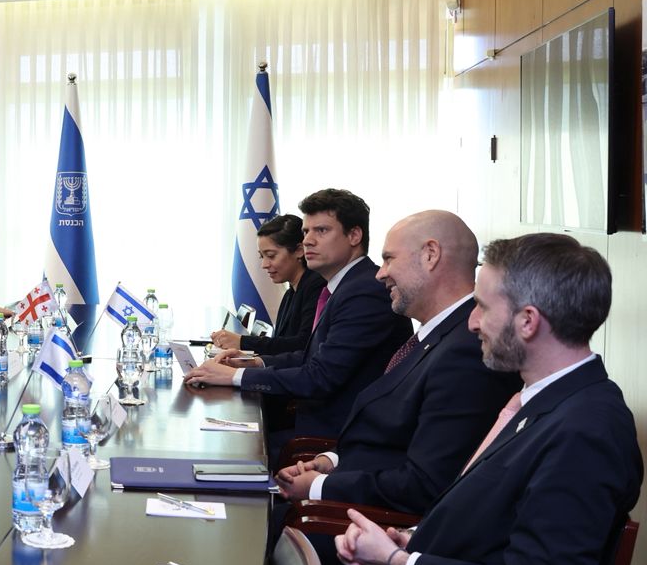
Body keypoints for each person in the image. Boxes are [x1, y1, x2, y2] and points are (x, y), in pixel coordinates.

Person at [316, 232, 640, 565]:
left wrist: (401, 563)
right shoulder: (549, 402)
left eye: (482, 307)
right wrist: (407, 541)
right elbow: (492, 528)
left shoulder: (586, 431)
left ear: (528, 321)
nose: (470, 322)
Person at [275, 211, 520, 514]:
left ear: (430, 255)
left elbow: (425, 484)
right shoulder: (436, 336)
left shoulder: (467, 350)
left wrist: (319, 486)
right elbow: (391, 440)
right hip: (350, 491)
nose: (380, 273)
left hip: (362, 522)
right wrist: (330, 461)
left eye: (389, 259)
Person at [184, 188, 412, 440]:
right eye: (306, 232)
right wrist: (253, 362)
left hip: (334, 439)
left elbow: (320, 376)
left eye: (321, 230)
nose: (308, 241)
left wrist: (236, 376)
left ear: (354, 235)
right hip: (317, 423)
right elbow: (311, 357)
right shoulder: (344, 286)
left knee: (225, 445)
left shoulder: (365, 291)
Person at [211, 213, 325, 355]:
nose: (264, 264)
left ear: (299, 251)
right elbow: (281, 343)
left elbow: (303, 345)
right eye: (262, 256)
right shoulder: (290, 293)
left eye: (271, 255)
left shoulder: (317, 288)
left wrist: (242, 342)